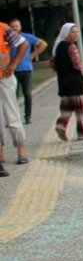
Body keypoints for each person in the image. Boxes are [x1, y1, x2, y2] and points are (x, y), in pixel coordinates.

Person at [50, 23, 83, 141]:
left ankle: (61, 125)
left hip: (63, 82)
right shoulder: (71, 47)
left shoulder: (57, 47)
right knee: (81, 109)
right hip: (75, 83)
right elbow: (77, 64)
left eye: (77, 32)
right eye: (73, 32)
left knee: (67, 107)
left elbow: (52, 64)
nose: (76, 34)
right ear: (66, 34)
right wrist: (81, 74)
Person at [0, 21, 30, 166]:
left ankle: (21, 149)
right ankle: (0, 153)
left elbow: (23, 44)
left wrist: (14, 63)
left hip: (4, 78)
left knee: (12, 116)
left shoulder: (3, 28)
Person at [9, 18, 47, 124]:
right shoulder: (6, 39)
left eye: (17, 26)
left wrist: (33, 55)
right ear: (9, 27)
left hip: (26, 69)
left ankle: (28, 116)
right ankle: (14, 118)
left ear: (20, 27)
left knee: (27, 94)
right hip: (11, 70)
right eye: (12, 26)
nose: (15, 28)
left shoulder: (27, 37)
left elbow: (43, 44)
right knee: (13, 95)